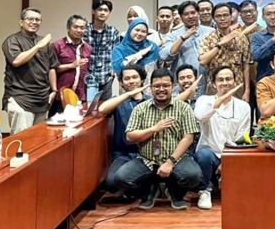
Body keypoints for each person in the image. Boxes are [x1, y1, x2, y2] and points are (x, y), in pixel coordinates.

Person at [116, 68, 203, 210]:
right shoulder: (140, 108)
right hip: (147, 159)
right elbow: (130, 136)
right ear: (150, 88)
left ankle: (175, 192)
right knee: (121, 179)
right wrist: (154, 129)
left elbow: (188, 137)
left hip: (177, 159)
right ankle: (149, 191)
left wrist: (170, 162)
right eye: (157, 86)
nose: (161, 89)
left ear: (173, 86)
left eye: (166, 86)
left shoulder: (184, 108)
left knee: (193, 176)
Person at [194, 66, 251, 210]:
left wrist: (227, 160)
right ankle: (204, 191)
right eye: (220, 80)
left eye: (228, 79)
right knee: (203, 155)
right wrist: (219, 102)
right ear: (213, 84)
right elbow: (200, 116)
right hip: (210, 154)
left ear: (234, 81)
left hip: (232, 154)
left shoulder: (244, 106)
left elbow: (242, 137)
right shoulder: (203, 100)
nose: (225, 83)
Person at [2, 7, 59, 133]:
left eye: (37, 20)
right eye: (30, 19)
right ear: (21, 22)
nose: (34, 22)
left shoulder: (44, 43)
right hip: (20, 98)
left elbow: (52, 67)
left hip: (42, 99)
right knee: (22, 140)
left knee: (38, 139)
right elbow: (16, 61)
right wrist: (38, 46)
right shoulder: (12, 40)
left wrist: (54, 90)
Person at [98, 64, 150, 195]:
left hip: (146, 153)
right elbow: (102, 109)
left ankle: (143, 188)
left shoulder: (151, 101)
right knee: (111, 182)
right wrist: (129, 94)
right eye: (127, 79)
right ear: (121, 83)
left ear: (142, 80)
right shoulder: (118, 102)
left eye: (135, 77)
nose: (131, 81)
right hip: (123, 154)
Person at [199, 3, 251, 101]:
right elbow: (203, 61)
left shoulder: (241, 37)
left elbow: (246, 65)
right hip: (215, 88)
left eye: (225, 15)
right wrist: (220, 44)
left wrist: (247, 90)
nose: (222, 18)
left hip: (237, 87)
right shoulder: (207, 38)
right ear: (214, 18)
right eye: (218, 16)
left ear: (231, 16)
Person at [160, 0, 214, 82]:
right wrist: (183, 38)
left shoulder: (211, 32)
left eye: (193, 13)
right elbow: (164, 56)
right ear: (181, 17)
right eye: (186, 14)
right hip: (184, 82)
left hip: (208, 80)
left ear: (198, 13)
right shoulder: (173, 35)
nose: (190, 16)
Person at [51, 15, 91, 114]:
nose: (79, 30)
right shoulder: (57, 45)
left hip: (79, 96)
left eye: (82, 28)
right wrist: (71, 65)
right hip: (60, 97)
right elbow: (51, 69)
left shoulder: (88, 48)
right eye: (75, 27)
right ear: (68, 28)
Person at [84, 0, 121, 103]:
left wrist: (113, 71)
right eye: (100, 9)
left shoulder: (113, 31)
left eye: (106, 10)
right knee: (88, 106)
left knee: (105, 108)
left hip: (106, 76)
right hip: (87, 76)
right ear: (93, 11)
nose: (103, 12)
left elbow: (116, 52)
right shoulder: (85, 30)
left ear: (109, 13)